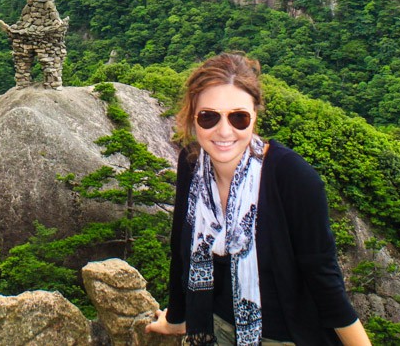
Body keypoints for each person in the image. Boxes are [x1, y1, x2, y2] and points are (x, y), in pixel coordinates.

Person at [145, 53, 371, 346]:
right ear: (192, 117)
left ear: (254, 116)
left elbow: (324, 280)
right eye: (209, 116)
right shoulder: (192, 164)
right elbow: (180, 247)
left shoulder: (293, 177)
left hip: (285, 337)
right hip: (213, 327)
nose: (224, 131)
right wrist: (177, 320)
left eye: (238, 117)